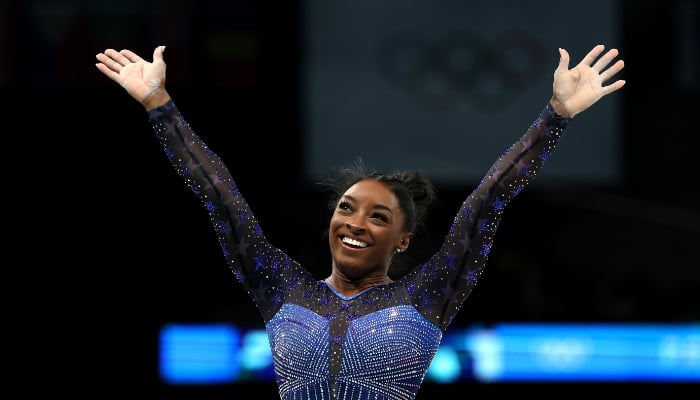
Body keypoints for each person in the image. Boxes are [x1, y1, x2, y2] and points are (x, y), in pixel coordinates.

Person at [95, 43, 625, 399]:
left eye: (379, 216)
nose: (355, 222)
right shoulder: (280, 287)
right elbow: (219, 196)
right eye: (347, 207)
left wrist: (555, 117)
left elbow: (488, 201)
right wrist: (159, 105)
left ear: (403, 239)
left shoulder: (430, 293)